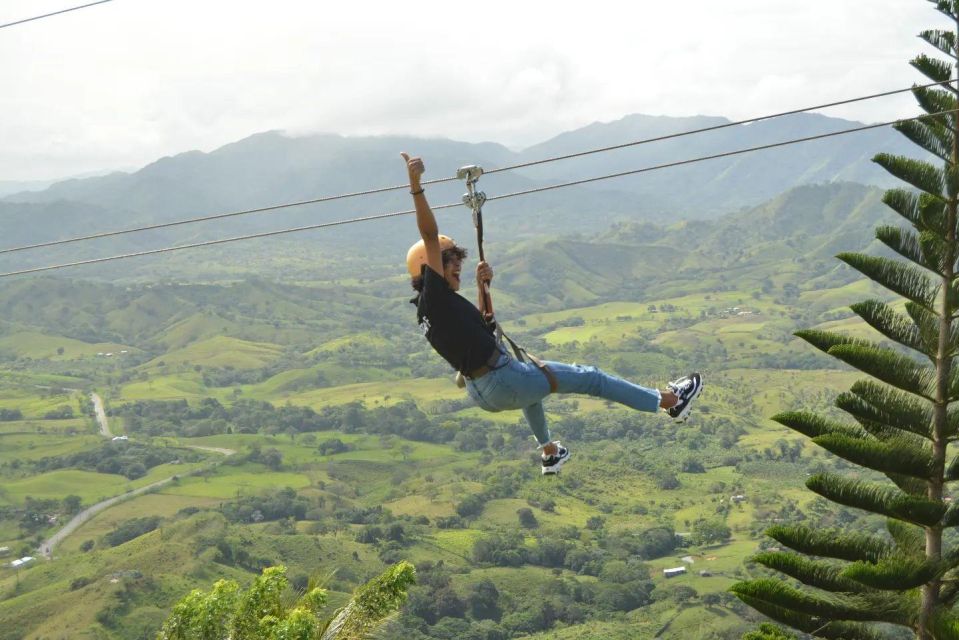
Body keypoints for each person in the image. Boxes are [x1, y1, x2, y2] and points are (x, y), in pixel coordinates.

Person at [402, 152, 703, 474]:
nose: (457, 269)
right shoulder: (435, 295)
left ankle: (549, 452)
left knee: (532, 386)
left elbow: (484, 328)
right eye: (452, 265)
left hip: (486, 391)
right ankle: (671, 401)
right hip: (502, 380)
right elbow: (430, 236)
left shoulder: (431, 310)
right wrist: (416, 186)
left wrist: (481, 286)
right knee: (593, 378)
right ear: (430, 268)